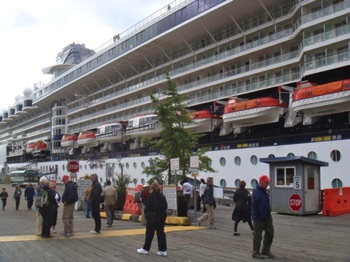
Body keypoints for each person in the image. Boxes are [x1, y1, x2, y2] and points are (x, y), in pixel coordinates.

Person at [137, 182, 168, 257]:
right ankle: (162, 250)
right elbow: (165, 206)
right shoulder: (162, 197)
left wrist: (147, 214)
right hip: (161, 218)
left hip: (152, 218)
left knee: (149, 234)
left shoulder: (151, 196)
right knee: (161, 233)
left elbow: (147, 208)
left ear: (152, 189)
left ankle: (146, 249)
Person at [251, 175, 275, 259]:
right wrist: (258, 214)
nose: (268, 184)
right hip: (258, 217)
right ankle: (255, 252)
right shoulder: (256, 192)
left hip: (267, 216)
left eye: (268, 182)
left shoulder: (265, 191)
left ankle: (265, 250)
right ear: (261, 182)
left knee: (270, 232)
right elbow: (254, 205)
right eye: (266, 182)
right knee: (258, 235)